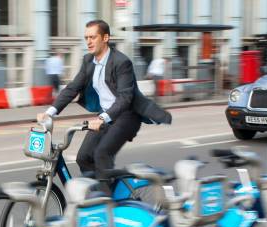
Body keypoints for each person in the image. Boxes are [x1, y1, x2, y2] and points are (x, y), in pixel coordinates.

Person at [37, 20, 171, 189]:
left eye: (93, 37)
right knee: (84, 157)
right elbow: (73, 88)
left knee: (101, 154)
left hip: (126, 116)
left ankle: (107, 205)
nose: (88, 42)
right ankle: (100, 191)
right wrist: (50, 112)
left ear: (105, 37)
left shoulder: (121, 62)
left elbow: (125, 98)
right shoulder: (88, 61)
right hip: (105, 116)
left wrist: (103, 118)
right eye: (86, 38)